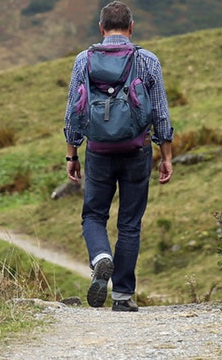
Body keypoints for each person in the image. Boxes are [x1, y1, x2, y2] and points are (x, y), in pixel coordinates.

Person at [63, 1, 173, 312]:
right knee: (130, 223)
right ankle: (123, 296)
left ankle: (101, 257)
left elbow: (74, 111)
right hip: (137, 150)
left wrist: (72, 154)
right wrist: (166, 155)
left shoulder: (83, 60)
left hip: (98, 150)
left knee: (94, 215)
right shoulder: (147, 61)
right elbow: (161, 113)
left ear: (101, 28)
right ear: (131, 27)